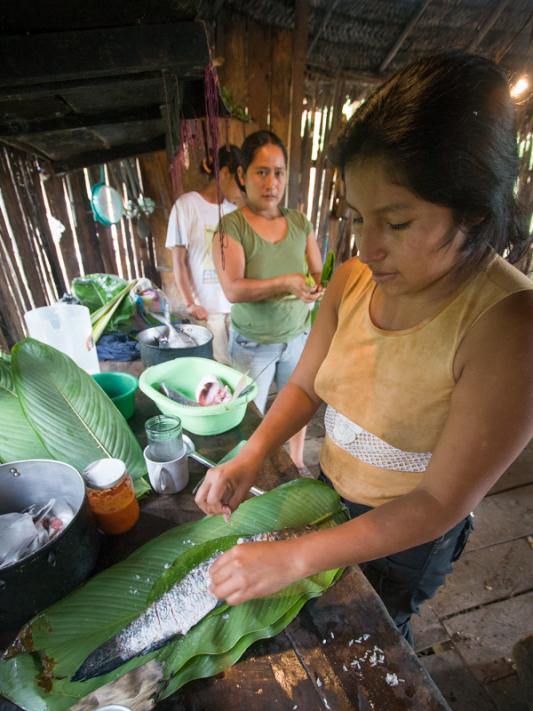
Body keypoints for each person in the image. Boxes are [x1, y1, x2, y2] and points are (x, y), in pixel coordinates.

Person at [197, 52, 533, 645]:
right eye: (356, 217)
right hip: (331, 489)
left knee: (380, 632)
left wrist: (297, 558)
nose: (367, 247)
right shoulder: (353, 281)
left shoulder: (509, 325)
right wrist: (252, 452)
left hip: (410, 534)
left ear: (473, 212)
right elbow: (303, 386)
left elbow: (437, 501)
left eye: (396, 224)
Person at [212, 130, 324, 471]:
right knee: (251, 417)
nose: (271, 182)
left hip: (296, 338)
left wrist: (314, 288)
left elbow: (318, 273)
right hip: (252, 344)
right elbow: (233, 289)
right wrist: (286, 283)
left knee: (296, 407)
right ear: (243, 175)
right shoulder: (231, 227)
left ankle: (294, 459)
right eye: (261, 172)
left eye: (278, 172)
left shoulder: (299, 223)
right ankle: (254, 470)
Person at [165, 144, 243, 364]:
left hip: (236, 307)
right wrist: (191, 304)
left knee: (240, 369)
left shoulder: (234, 212)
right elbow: (178, 262)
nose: (242, 190)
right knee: (220, 367)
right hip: (207, 309)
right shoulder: (187, 206)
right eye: (239, 182)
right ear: (225, 174)